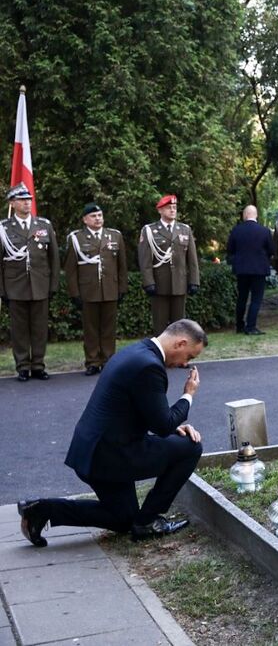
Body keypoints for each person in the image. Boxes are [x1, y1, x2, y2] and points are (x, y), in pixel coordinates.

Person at [17, 319, 206, 545]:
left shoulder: (135, 352)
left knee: (123, 518)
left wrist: (173, 424)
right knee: (191, 447)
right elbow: (162, 425)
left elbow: (138, 411)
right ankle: (148, 522)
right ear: (181, 343)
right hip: (109, 456)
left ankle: (40, 510)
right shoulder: (149, 366)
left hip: (91, 450)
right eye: (190, 357)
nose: (186, 364)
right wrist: (188, 394)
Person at [0, 182, 60, 381]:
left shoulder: (44, 225)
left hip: (40, 285)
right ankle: (23, 366)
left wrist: (53, 285)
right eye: (22, 200)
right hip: (15, 286)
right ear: (12, 203)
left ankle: (38, 365)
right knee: (19, 329)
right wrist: (2, 289)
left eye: (29, 200)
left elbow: (53, 258)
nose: (27, 203)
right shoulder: (4, 228)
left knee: (40, 328)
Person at [64, 203, 128, 375]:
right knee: (90, 329)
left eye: (100, 215)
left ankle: (108, 361)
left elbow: (122, 265)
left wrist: (122, 288)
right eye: (93, 216)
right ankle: (92, 361)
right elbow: (71, 270)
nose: (98, 218)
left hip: (110, 289)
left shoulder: (115, 236)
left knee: (109, 328)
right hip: (88, 291)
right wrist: (75, 293)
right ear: (85, 220)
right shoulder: (76, 238)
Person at [138, 194, 200, 334]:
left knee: (179, 326)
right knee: (160, 326)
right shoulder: (149, 231)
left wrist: (194, 281)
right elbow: (145, 260)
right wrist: (148, 282)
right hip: (159, 284)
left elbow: (192, 259)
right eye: (168, 208)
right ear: (160, 210)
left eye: (174, 207)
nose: (172, 210)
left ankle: (177, 355)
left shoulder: (185, 229)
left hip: (179, 283)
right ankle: (161, 354)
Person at [227, 205, 275, 335]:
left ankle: (239, 325)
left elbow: (230, 249)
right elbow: (271, 250)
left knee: (241, 298)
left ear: (245, 215)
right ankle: (251, 326)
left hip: (241, 269)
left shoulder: (236, 230)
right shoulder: (264, 231)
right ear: (256, 215)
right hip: (259, 269)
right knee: (256, 299)